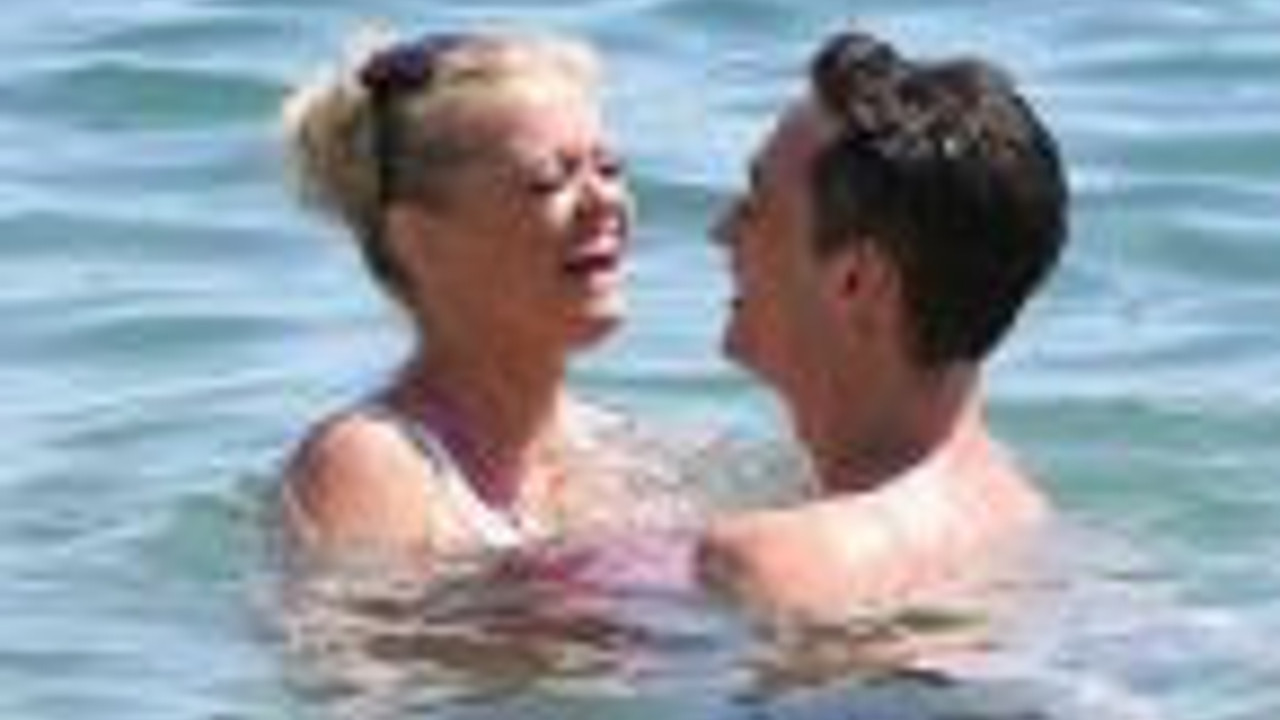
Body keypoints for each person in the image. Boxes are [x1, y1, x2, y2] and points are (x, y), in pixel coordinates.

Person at [698, 27, 1069, 623]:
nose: (721, 232)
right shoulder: (1014, 513)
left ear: (857, 281)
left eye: (756, 206)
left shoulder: (776, 564)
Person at [277, 29, 663, 565]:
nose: (605, 202)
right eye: (549, 181)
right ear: (417, 239)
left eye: (609, 169)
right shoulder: (372, 467)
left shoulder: (620, 452)